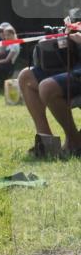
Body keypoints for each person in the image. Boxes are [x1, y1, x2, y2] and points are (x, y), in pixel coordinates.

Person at [18, 12, 81, 158]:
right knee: (26, 77)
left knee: (47, 87)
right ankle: (46, 143)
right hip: (75, 65)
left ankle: (74, 142)